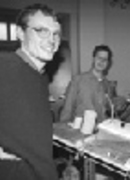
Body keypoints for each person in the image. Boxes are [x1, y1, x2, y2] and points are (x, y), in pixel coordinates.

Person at [0, 3, 61, 180]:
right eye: (41, 30)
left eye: (55, 33)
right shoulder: (5, 65)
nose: (51, 39)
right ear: (20, 33)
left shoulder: (40, 77)